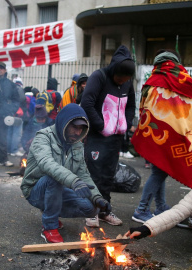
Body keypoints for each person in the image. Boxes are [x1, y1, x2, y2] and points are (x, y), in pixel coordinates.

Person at [21, 103, 111, 243]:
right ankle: (50, 227)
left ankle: (51, 211)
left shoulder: (77, 144)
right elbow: (47, 164)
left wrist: (98, 198)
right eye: (74, 127)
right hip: (35, 190)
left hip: (57, 189)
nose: (77, 132)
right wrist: (74, 182)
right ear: (64, 123)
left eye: (81, 128)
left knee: (92, 209)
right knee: (54, 178)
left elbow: (84, 174)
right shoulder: (43, 137)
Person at [130, 49, 192, 224]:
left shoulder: (151, 80)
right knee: (160, 172)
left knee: (159, 170)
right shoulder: (180, 78)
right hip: (172, 134)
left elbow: (144, 107)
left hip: (153, 133)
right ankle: (141, 209)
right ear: (175, 62)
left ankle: (161, 206)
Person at [80, 45, 136, 227]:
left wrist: (125, 124)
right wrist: (101, 125)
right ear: (114, 70)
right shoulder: (99, 76)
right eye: (120, 78)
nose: (122, 82)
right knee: (94, 173)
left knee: (108, 175)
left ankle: (104, 210)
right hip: (97, 135)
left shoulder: (127, 83)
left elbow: (130, 105)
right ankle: (91, 211)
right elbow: (87, 102)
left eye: (126, 79)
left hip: (116, 137)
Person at [7, 78, 26, 157]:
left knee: (9, 132)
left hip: (9, 113)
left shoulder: (9, 89)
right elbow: (22, 100)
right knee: (16, 133)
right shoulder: (19, 89)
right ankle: (14, 150)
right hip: (17, 114)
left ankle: (8, 150)